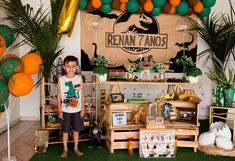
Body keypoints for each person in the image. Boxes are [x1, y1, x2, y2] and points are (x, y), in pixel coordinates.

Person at [57, 55, 85, 158]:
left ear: (77, 67)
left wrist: (83, 109)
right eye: (68, 66)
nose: (71, 68)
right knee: (65, 131)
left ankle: (76, 147)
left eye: (73, 66)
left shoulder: (79, 79)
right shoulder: (61, 80)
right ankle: (65, 149)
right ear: (64, 67)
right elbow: (59, 96)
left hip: (77, 110)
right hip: (65, 110)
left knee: (76, 130)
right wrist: (60, 111)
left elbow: (82, 94)